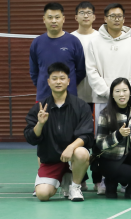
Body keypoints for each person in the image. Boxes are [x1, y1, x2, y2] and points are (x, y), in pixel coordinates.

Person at [25, 62, 93, 202]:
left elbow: (86, 135)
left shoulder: (81, 106)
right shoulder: (39, 108)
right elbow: (31, 138)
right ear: (48, 82)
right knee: (42, 195)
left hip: (72, 158)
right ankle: (63, 179)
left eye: (62, 78)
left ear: (68, 81)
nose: (58, 82)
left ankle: (75, 187)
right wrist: (40, 124)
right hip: (51, 160)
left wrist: (71, 147)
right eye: (54, 78)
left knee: (82, 153)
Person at [85, 3, 131, 122]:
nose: (116, 19)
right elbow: (91, 71)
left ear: (124, 19)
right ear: (105, 18)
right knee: (102, 132)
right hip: (102, 100)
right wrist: (109, 93)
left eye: (119, 16)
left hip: (127, 101)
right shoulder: (94, 43)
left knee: (127, 132)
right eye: (112, 16)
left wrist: (124, 93)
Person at [94, 77, 131, 199]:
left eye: (125, 90)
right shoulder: (105, 114)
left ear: (130, 92)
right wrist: (118, 135)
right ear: (112, 94)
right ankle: (110, 181)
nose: (122, 94)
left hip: (128, 157)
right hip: (109, 159)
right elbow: (100, 143)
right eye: (117, 91)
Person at [30, 2, 86, 102]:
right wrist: (43, 84)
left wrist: (69, 83)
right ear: (44, 19)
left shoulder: (74, 41)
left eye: (57, 17)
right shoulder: (37, 43)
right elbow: (34, 72)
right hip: (44, 97)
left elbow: (81, 71)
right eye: (50, 17)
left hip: (69, 98)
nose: (54, 21)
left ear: (63, 19)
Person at [71, 2, 97, 104]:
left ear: (94, 17)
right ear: (76, 17)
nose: (86, 16)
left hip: (97, 95)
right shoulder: (70, 39)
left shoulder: (101, 38)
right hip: (76, 95)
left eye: (89, 13)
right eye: (82, 13)